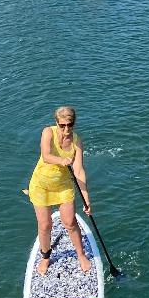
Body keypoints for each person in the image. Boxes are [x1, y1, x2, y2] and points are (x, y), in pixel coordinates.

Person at [25, 106, 93, 277]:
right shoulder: (48, 132)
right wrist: (61, 160)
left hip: (63, 186)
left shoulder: (77, 142)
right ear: (56, 123)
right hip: (42, 185)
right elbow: (46, 155)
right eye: (62, 125)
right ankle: (46, 257)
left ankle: (81, 255)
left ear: (74, 123)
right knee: (45, 225)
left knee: (70, 222)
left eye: (69, 125)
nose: (66, 129)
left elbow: (78, 171)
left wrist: (86, 199)